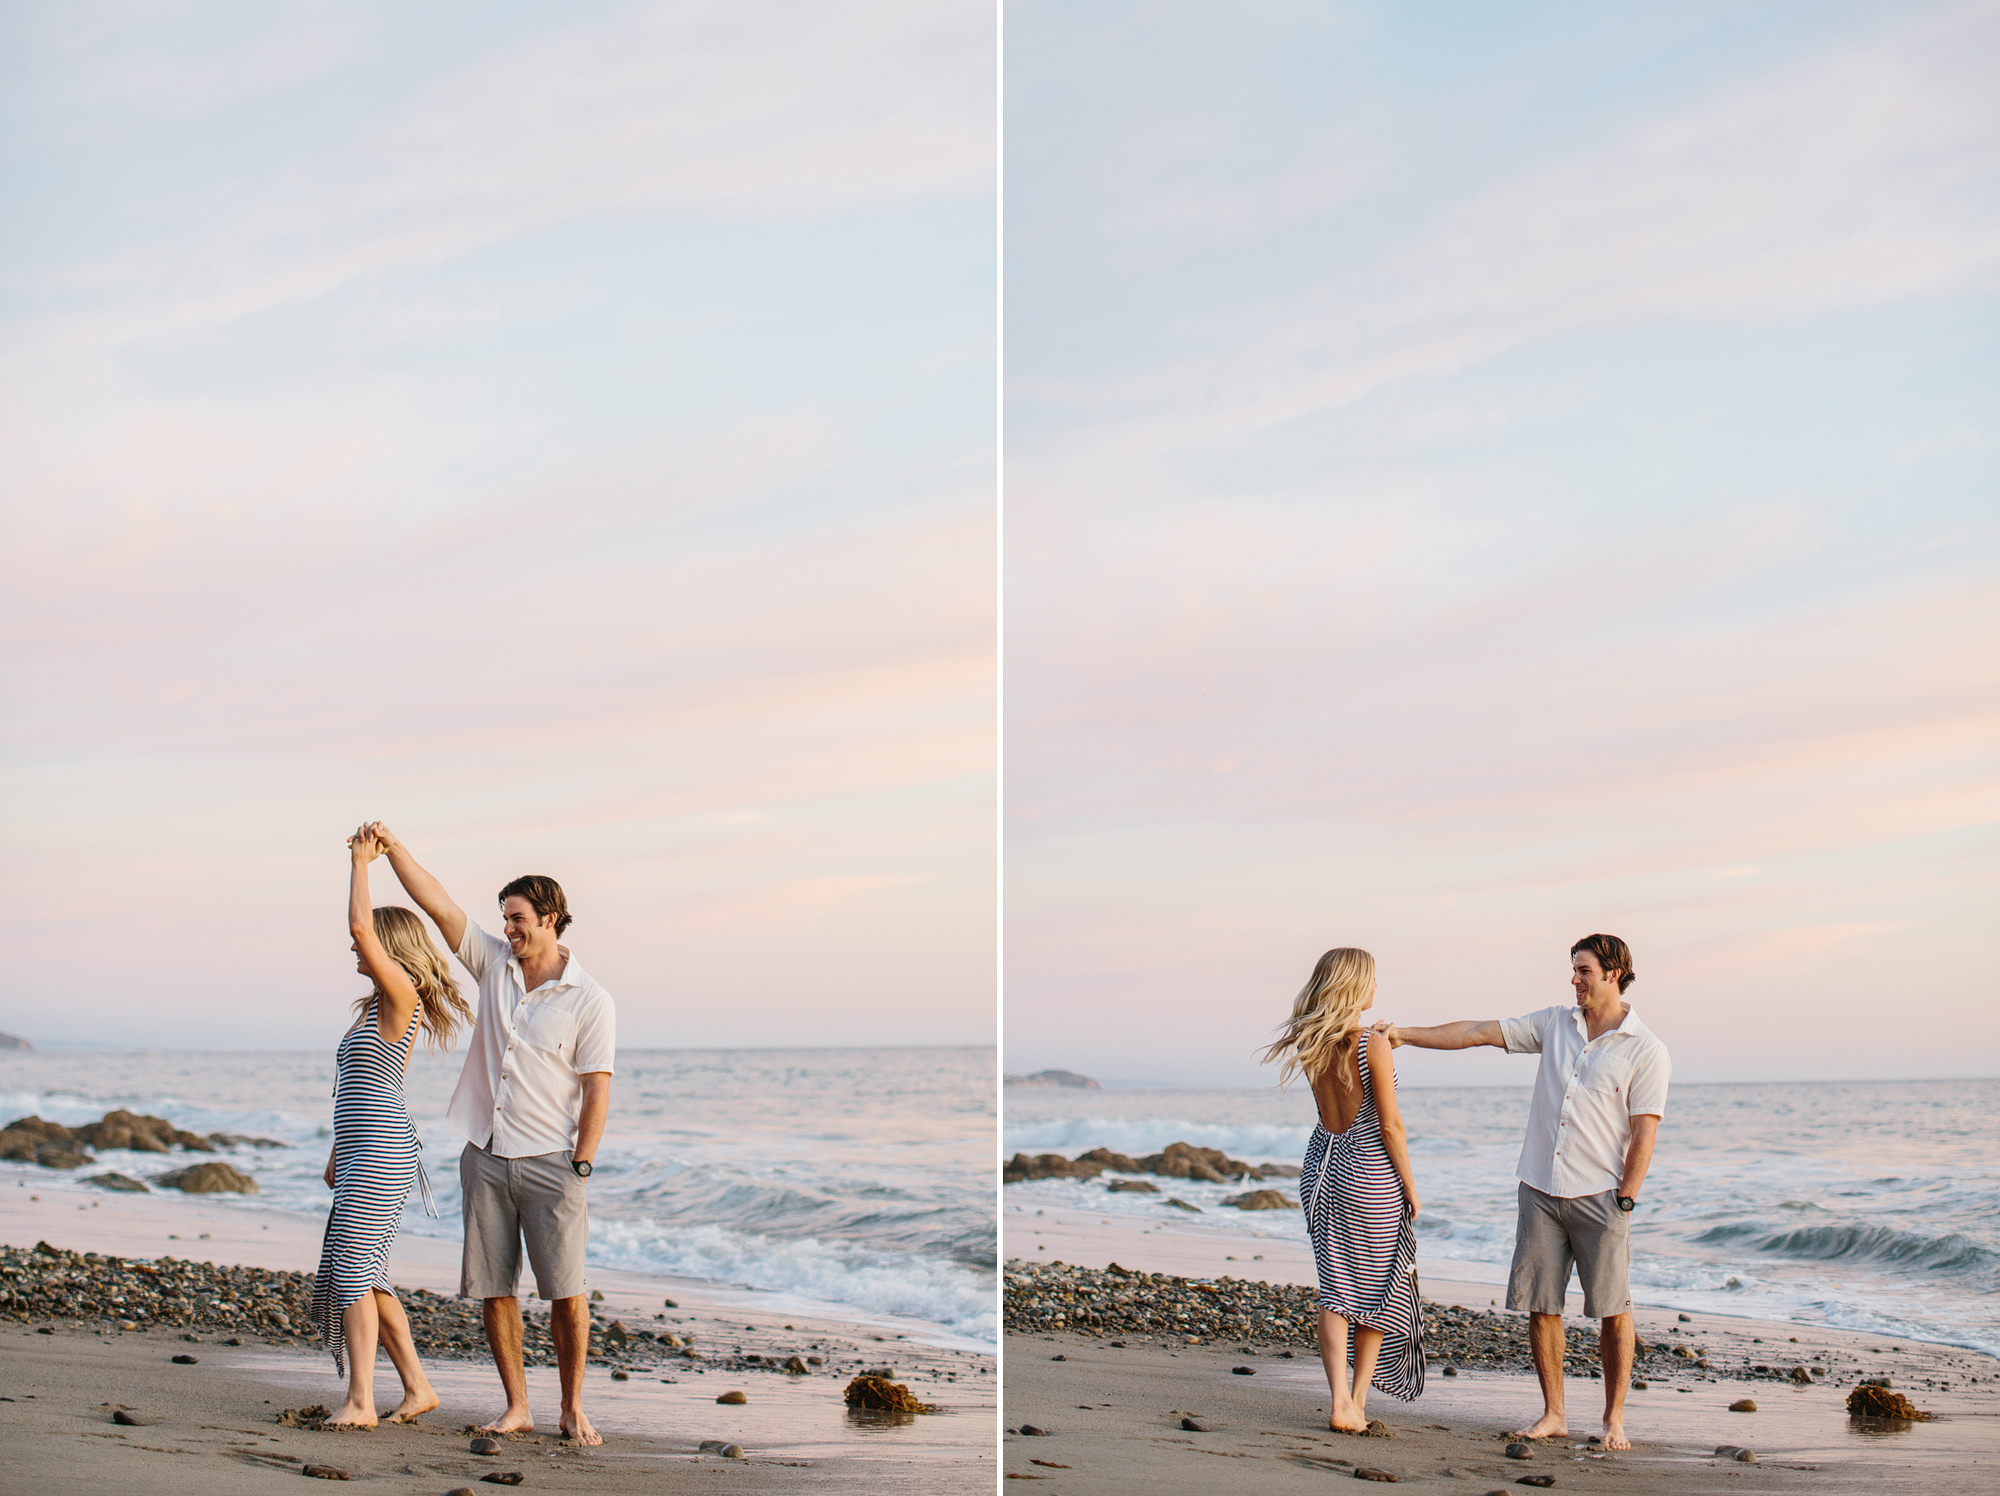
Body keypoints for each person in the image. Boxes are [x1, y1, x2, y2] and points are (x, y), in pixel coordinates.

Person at [360, 821, 616, 1446]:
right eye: (505, 917)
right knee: (494, 1291)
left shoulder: (590, 999)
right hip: (486, 1156)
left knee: (566, 1294)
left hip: (553, 1163)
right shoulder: (492, 964)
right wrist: (393, 851)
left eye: (520, 917)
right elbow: (437, 902)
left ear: (552, 917)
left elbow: (597, 1089)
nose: (509, 928)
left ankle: (573, 1407)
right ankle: (517, 1407)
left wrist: (581, 1164)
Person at [1377, 933, 1669, 1450]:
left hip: (1600, 1195)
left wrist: (1626, 1197)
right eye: (1573, 970)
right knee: (1541, 1305)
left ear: (1613, 973)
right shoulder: (1555, 1023)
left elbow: (1645, 1130)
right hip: (1538, 1187)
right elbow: (1476, 1032)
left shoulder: (1646, 1049)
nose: (1574, 979)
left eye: (1583, 970)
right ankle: (1553, 1413)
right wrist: (1404, 1035)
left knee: (1612, 1309)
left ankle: (1614, 1420)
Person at [313, 830, 471, 1427]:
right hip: (362, 1154)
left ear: (387, 945)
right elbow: (359, 1090)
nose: (356, 950)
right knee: (370, 1278)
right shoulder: (375, 1009)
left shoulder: (400, 994)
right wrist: (337, 1150)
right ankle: (418, 1389)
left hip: (383, 1156)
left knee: (353, 1276)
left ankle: (360, 1401)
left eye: (369, 944)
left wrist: (360, 862)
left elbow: (358, 928)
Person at [1261, 947, 1424, 1432]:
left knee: (1335, 1289)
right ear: (1355, 985)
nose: (1377, 989)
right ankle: (1354, 1400)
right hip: (1368, 1171)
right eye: (1372, 981)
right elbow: (1390, 1125)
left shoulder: (1309, 1039)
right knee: (1378, 1290)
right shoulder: (1369, 1043)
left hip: (1321, 1166)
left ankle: (1343, 1402)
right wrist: (1411, 1187)